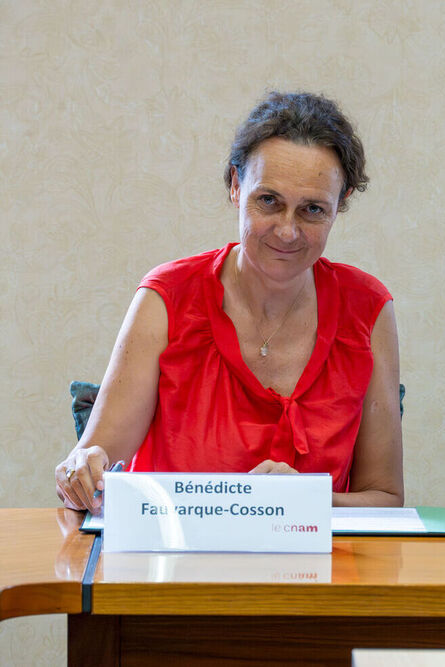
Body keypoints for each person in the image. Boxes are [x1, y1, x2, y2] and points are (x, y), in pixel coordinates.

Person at [55, 92, 403, 512]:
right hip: (172, 569)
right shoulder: (167, 296)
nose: (287, 232)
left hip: (316, 572)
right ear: (236, 187)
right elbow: (96, 465)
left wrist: (309, 502)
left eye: (312, 210)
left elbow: (386, 500)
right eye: (269, 201)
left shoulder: (368, 308)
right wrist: (83, 469)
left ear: (340, 205)